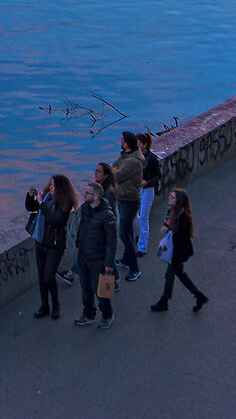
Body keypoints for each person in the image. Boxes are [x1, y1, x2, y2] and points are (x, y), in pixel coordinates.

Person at [148, 188, 208, 313]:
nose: (170, 199)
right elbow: (167, 222)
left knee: (172, 274)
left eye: (172, 197)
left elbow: (180, 234)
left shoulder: (184, 216)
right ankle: (198, 296)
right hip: (175, 249)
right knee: (176, 274)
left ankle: (165, 301)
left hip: (179, 251)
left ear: (179, 200)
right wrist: (166, 226)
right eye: (170, 196)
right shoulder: (172, 210)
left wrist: (169, 227)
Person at [25, 173, 76, 319]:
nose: (50, 187)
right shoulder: (47, 198)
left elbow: (56, 220)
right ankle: (44, 306)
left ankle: (56, 305)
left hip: (55, 245)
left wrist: (41, 204)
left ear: (60, 188)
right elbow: (31, 208)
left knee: (48, 277)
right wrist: (30, 197)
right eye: (50, 184)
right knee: (41, 276)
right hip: (41, 241)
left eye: (53, 185)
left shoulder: (65, 203)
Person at [74, 172, 117, 327]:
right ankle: (88, 314)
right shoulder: (86, 209)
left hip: (98, 259)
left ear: (96, 196)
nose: (84, 195)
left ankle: (107, 315)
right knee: (85, 288)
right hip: (84, 256)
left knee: (101, 291)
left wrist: (109, 263)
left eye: (87, 193)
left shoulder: (107, 216)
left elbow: (112, 241)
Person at [112, 131, 147, 282]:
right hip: (123, 198)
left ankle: (135, 269)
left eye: (121, 140)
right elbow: (114, 167)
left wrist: (113, 171)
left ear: (126, 143)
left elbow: (116, 175)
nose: (119, 142)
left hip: (129, 200)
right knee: (127, 233)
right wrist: (113, 169)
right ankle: (127, 260)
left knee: (124, 234)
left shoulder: (132, 161)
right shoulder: (125, 156)